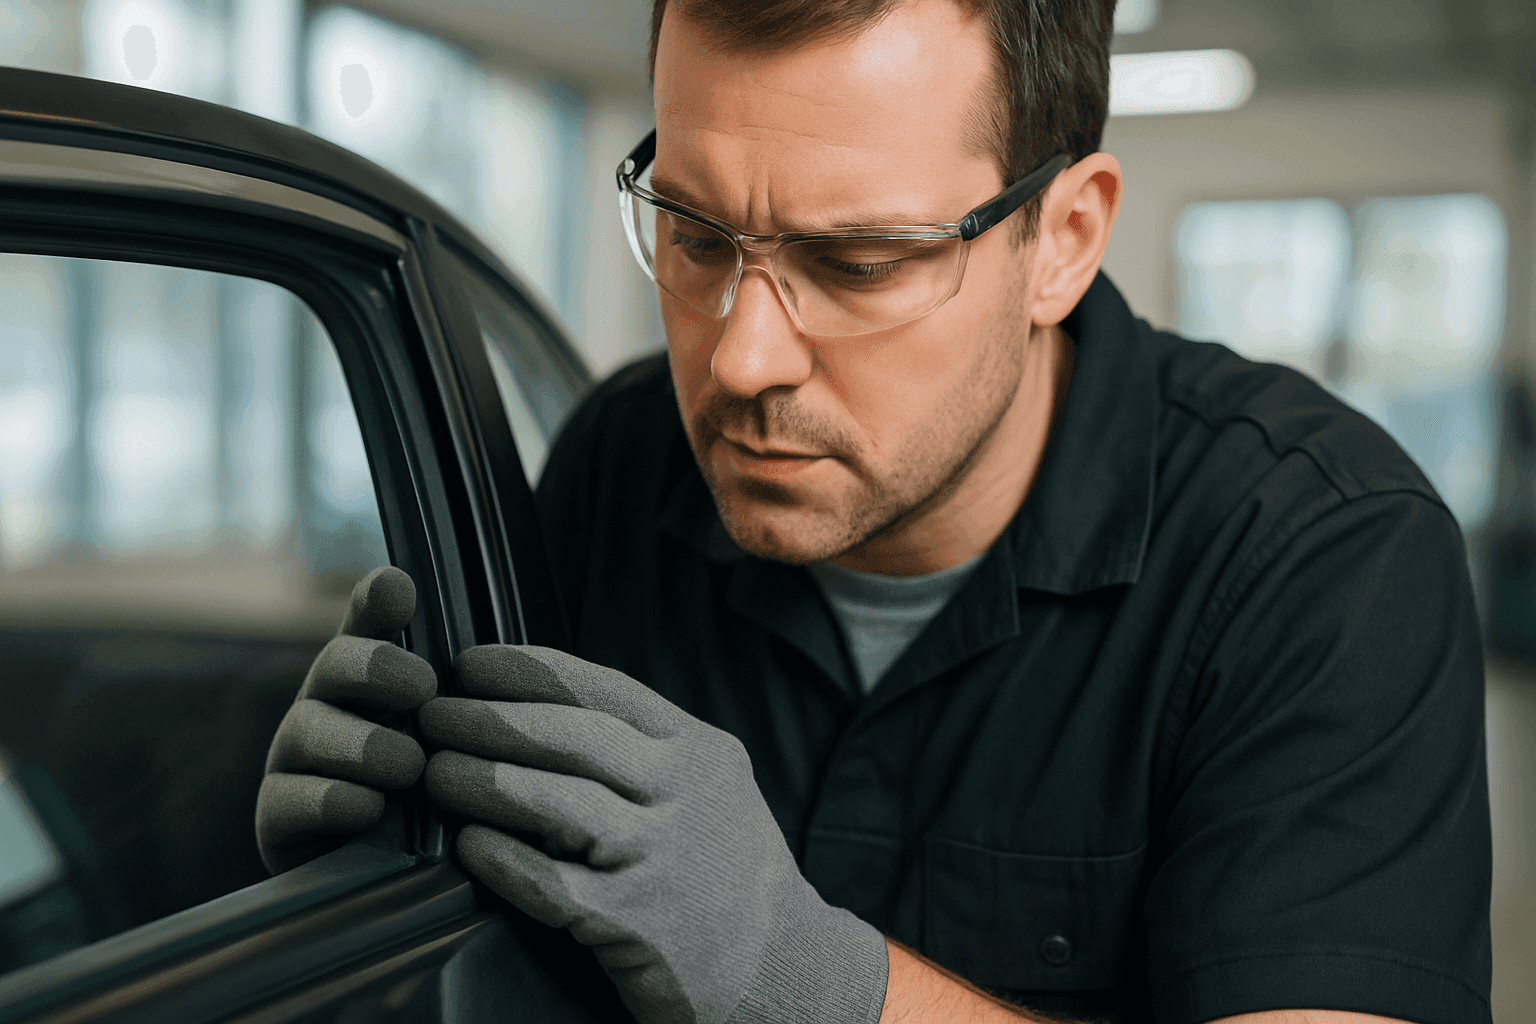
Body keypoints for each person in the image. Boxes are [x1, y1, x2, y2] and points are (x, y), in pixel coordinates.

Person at [255, 1, 1493, 1022]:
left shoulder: (1326, 556)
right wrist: (378, 912)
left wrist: (810, 981)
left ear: (1062, 240)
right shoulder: (618, 468)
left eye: (857, 264)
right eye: (692, 234)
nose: (742, 359)